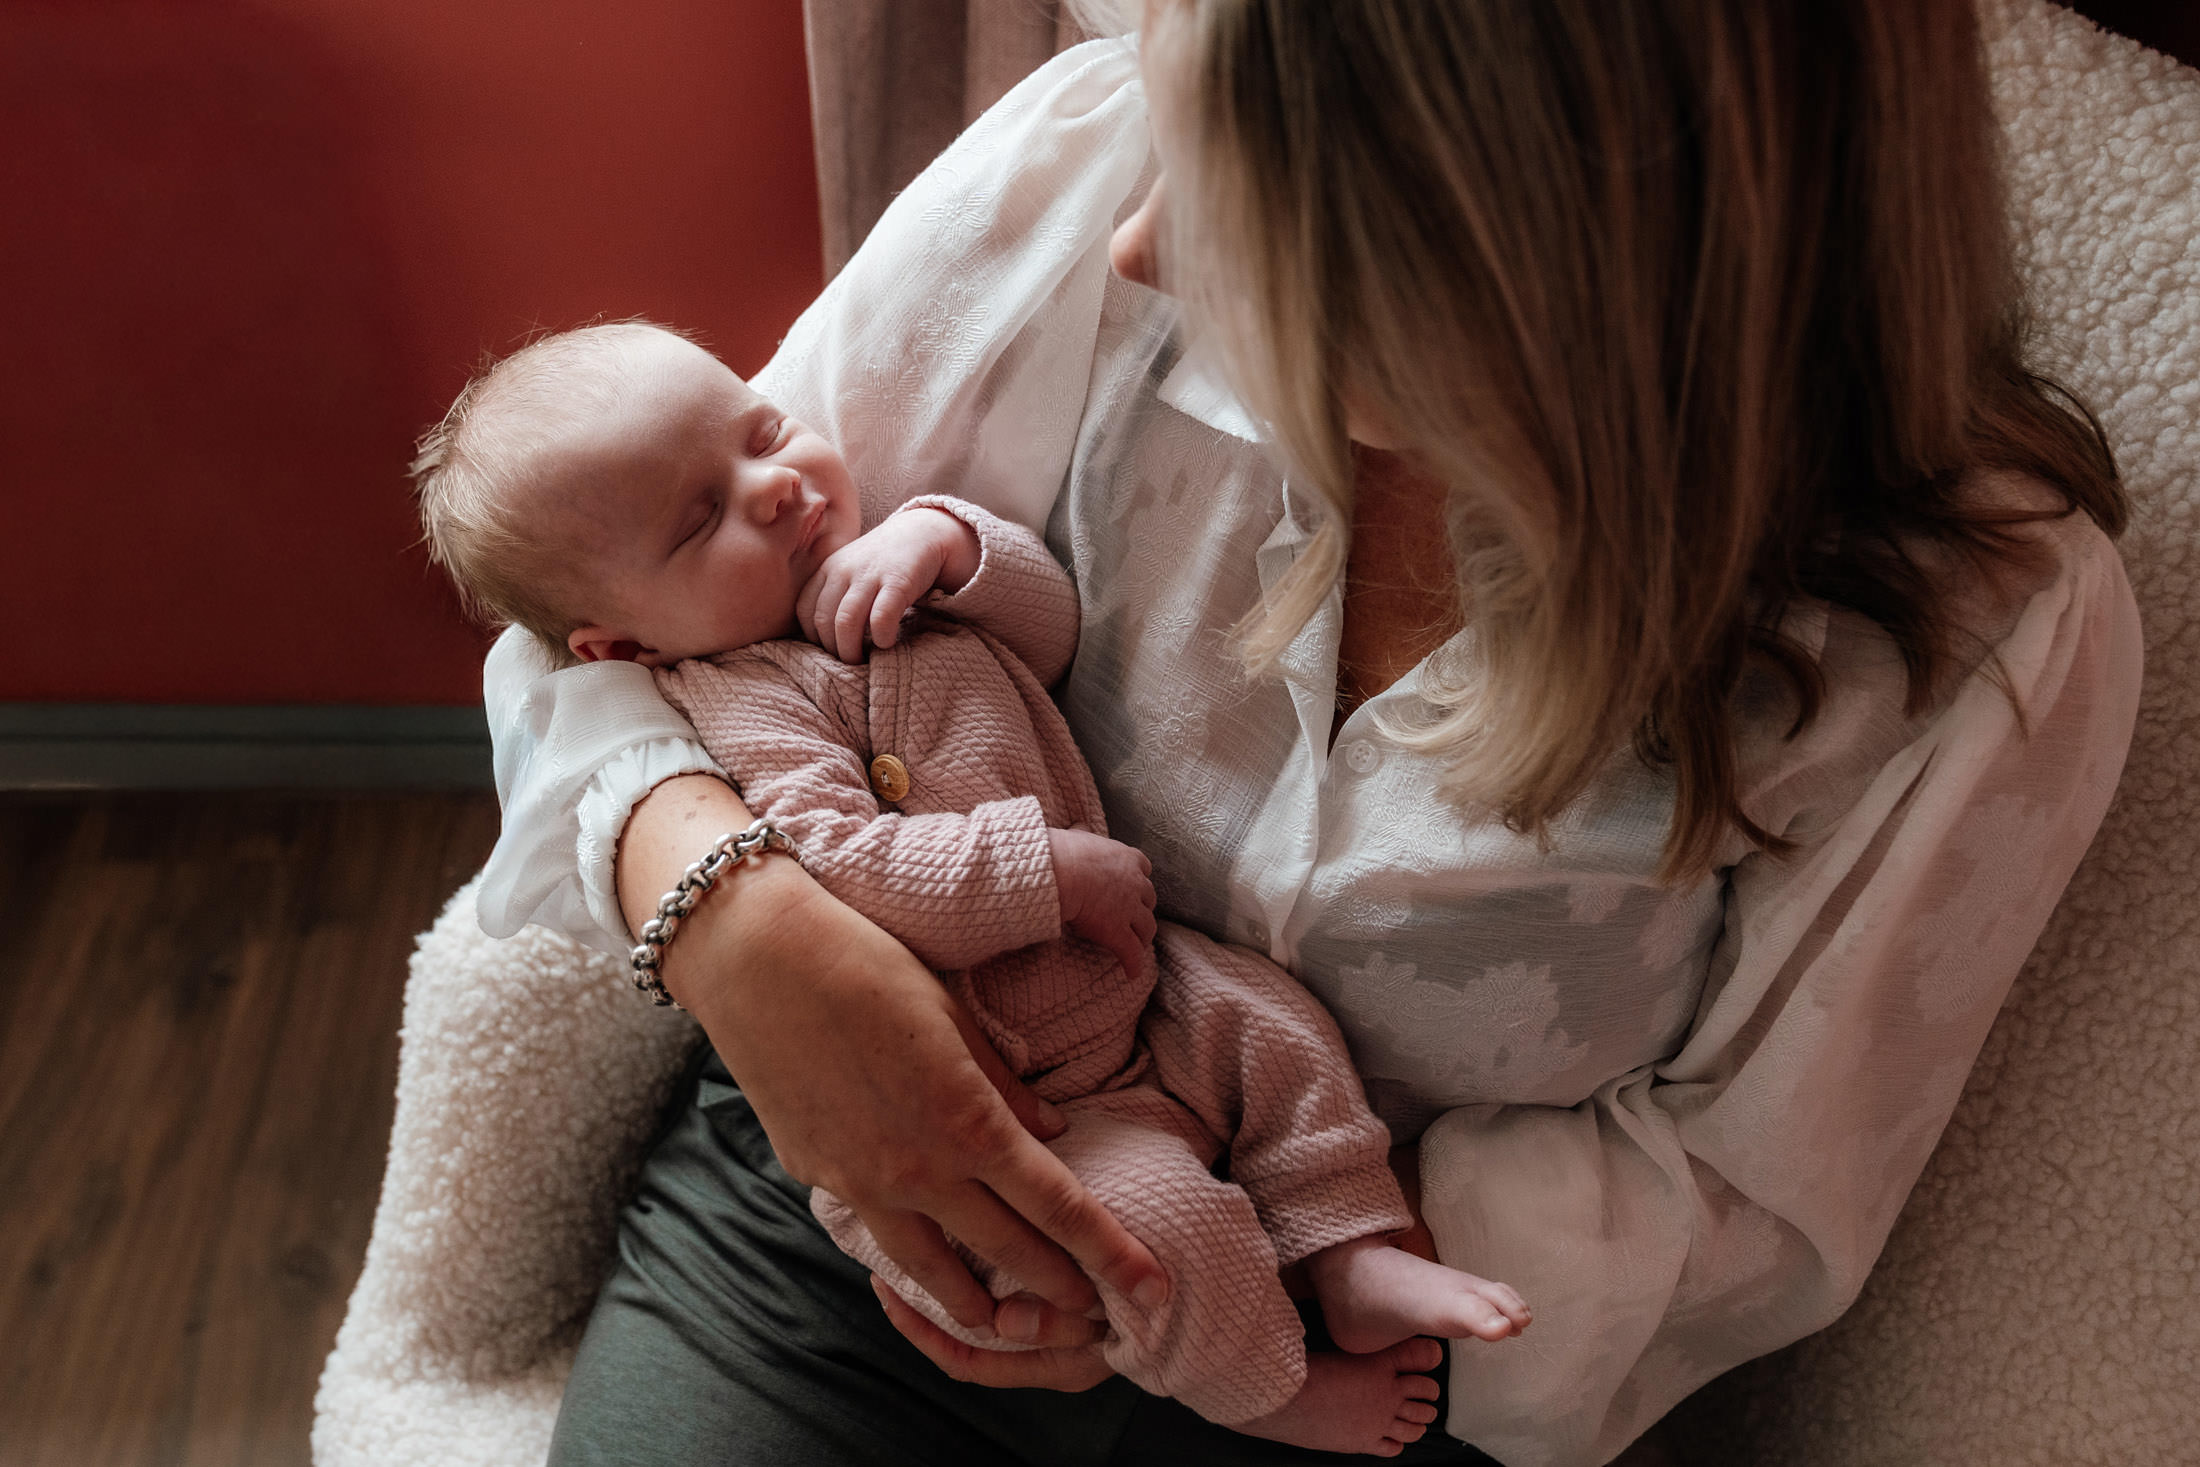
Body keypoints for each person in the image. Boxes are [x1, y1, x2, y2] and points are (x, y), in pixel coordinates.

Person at [473, 4, 2143, 1464]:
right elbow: (602, 625)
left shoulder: (1968, 632)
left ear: (1512, 261)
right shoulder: (1081, 171)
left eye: (1243, 196)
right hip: (876, 1190)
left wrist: (1201, 1263)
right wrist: (751, 939)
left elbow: (1748, 1209)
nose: (1138, 249)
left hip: (1370, 1356)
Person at [411, 320, 1530, 1454]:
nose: (775, 489)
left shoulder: (877, 574)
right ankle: (1270, 1389)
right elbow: (839, 862)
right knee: (1148, 1229)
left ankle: (1350, 1251)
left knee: (1278, 1031)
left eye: (764, 433)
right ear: (623, 651)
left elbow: (1047, 637)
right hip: (1008, 1101)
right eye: (700, 519)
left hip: (1130, 991)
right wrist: (1035, 870)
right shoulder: (742, 701)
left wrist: (951, 546)